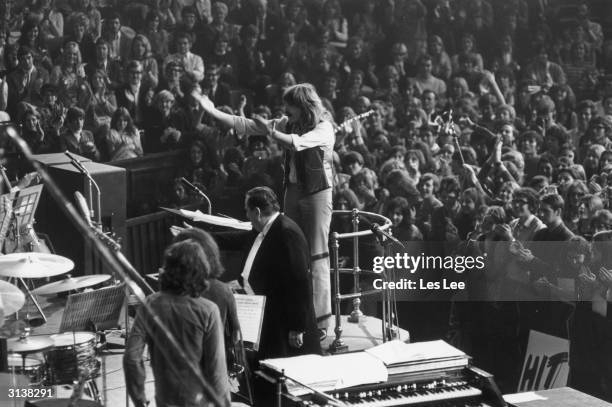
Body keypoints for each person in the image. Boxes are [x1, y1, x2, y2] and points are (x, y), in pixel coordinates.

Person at [193, 83, 334, 333]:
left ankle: (321, 322)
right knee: (289, 251)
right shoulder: (288, 122)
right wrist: (213, 111)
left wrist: (271, 132)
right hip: (294, 190)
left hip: (316, 195)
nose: (286, 114)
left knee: (316, 255)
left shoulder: (324, 128)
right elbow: (247, 125)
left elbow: (297, 143)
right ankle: (292, 313)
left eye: (290, 110)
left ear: (304, 107)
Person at [212, 187, 321, 360]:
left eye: (247, 211)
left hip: (285, 322)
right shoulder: (265, 229)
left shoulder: (286, 233)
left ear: (257, 212)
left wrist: (297, 327)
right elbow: (238, 239)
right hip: (268, 313)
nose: (246, 216)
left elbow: (300, 283)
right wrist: (201, 236)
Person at [124, 239, 231, 407]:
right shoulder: (209, 310)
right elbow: (217, 372)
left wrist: (139, 398)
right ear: (201, 271)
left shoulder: (150, 304)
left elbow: (131, 358)